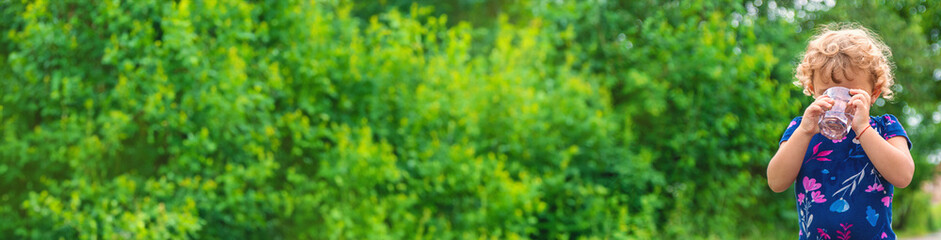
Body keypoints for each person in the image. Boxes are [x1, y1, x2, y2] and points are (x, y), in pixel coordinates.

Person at [767, 23, 914, 239]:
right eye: (827, 93)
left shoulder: (885, 128)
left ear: (873, 93)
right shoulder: (802, 129)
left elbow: (903, 176)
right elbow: (776, 182)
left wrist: (863, 129)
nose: (839, 102)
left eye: (850, 93)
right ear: (811, 90)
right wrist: (804, 132)